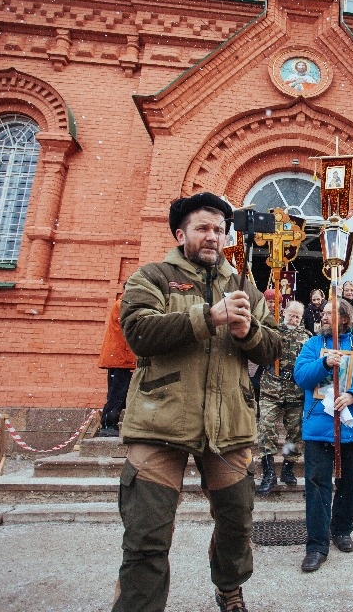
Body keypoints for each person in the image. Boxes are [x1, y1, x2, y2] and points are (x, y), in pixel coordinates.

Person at [112, 192, 281, 612]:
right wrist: (210, 317)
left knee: (236, 523)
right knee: (146, 535)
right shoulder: (151, 276)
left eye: (219, 230)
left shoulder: (243, 284)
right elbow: (138, 332)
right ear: (180, 233)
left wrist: (248, 334)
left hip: (230, 425)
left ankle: (230, 589)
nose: (212, 237)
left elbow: (274, 346)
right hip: (159, 422)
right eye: (203, 228)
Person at [293, 298, 353, 573]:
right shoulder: (312, 345)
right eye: (323, 312)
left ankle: (342, 530)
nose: (323, 316)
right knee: (317, 485)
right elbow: (300, 376)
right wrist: (322, 364)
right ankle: (316, 546)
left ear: (345, 318)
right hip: (318, 426)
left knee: (347, 482)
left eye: (331, 313)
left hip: (348, 426)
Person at [255, 300, 311, 495]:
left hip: (295, 389)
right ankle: (268, 473)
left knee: (295, 431)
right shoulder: (273, 331)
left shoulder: (307, 338)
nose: (293, 319)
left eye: (297, 316)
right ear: (284, 313)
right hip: (271, 386)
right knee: (266, 426)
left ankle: (288, 467)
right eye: (291, 315)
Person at [97, 295, 136, 437]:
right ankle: (108, 425)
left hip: (119, 357)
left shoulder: (123, 302)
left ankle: (109, 425)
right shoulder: (125, 303)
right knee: (118, 393)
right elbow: (132, 325)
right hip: (121, 358)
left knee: (116, 392)